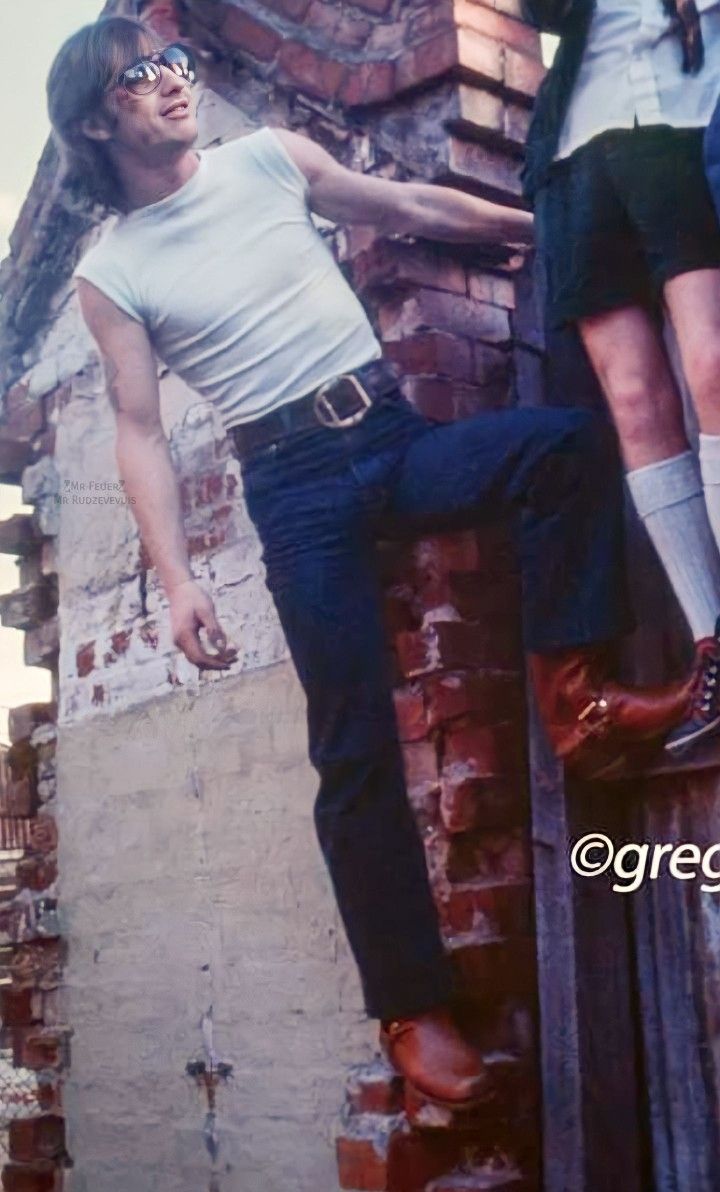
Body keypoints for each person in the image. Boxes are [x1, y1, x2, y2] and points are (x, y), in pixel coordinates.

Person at [47, 16, 703, 1109]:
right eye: (140, 77)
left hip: (390, 441)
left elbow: (403, 207)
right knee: (352, 745)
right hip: (295, 491)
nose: (173, 82)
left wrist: (546, 227)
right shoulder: (111, 272)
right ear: (95, 120)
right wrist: (176, 580)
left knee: (560, 450)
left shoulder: (267, 161)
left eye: (173, 63)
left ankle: (576, 701)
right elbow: (139, 431)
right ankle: (413, 1003)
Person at [523, 0, 720, 752]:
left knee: (711, 362)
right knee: (634, 401)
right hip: (577, 150)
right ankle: (712, 643)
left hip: (689, 121)